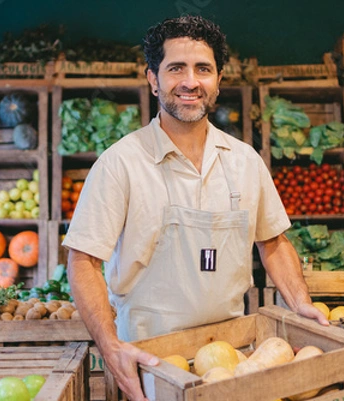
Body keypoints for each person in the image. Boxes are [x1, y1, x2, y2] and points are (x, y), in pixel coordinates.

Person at [63, 15, 329, 401]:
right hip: (149, 364)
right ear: (153, 78)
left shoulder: (244, 161)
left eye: (203, 69)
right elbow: (82, 260)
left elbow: (273, 241)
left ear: (218, 79)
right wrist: (110, 345)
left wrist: (301, 303)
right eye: (176, 69)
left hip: (233, 360)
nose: (190, 82)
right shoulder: (121, 163)